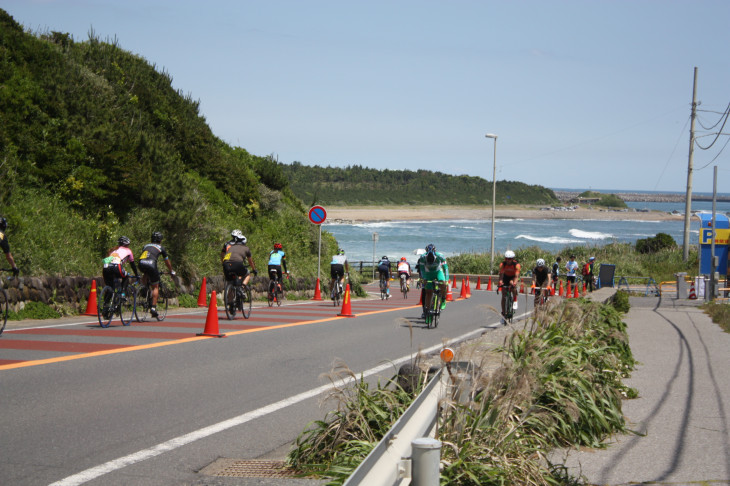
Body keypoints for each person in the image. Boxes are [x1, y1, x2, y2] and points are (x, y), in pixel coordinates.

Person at [138, 232, 176, 318]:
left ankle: (143, 289)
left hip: (141, 263)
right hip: (151, 264)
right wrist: (171, 270)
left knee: (146, 273)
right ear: (160, 240)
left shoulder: (146, 246)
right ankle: (153, 308)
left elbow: (146, 256)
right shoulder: (161, 247)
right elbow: (167, 261)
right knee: (155, 286)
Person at [101, 236, 139, 314]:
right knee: (126, 277)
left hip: (106, 267)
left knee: (110, 287)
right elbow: (132, 265)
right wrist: (137, 275)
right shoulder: (128, 251)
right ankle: (122, 294)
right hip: (116, 266)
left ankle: (105, 307)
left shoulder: (114, 251)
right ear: (127, 244)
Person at [417, 244, 449, 315]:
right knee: (429, 292)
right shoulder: (422, 257)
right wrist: (423, 278)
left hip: (438, 272)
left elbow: (445, 268)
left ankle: (443, 298)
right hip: (428, 273)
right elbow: (422, 269)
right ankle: (427, 311)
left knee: (443, 284)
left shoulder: (440, 256)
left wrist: (446, 280)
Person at [498, 250, 521, 323]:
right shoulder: (502, 264)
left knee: (513, 285)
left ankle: (515, 300)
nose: (508, 260)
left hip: (513, 277)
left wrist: (514, 283)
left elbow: (517, 276)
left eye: (510, 259)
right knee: (504, 296)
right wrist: (500, 282)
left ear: (513, 259)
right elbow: (501, 275)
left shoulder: (516, 265)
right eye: (506, 259)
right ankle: (504, 314)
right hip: (505, 277)